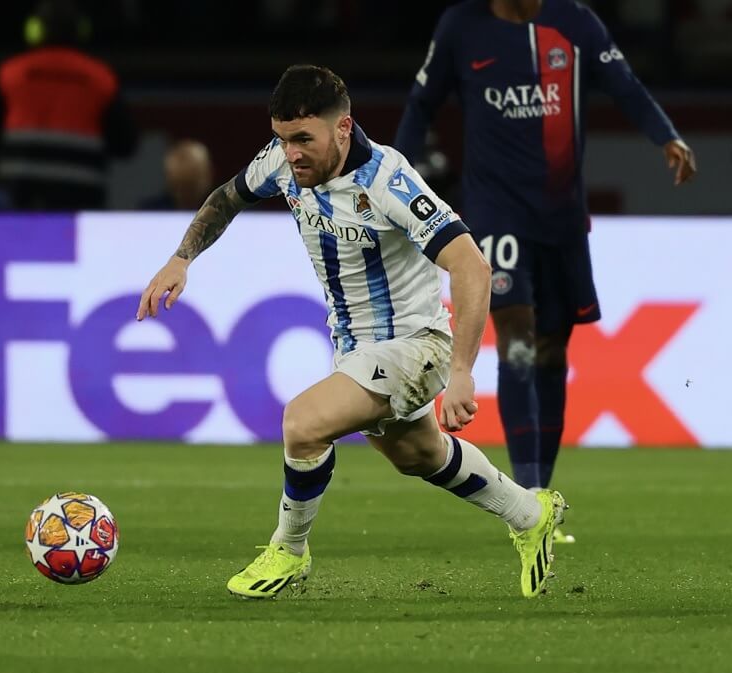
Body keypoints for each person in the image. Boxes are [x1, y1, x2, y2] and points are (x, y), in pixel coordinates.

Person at [137, 65, 567, 599]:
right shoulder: (283, 163)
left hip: (418, 347)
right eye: (282, 138)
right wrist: (181, 259)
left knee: (303, 423)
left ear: (342, 129)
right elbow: (228, 197)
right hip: (356, 348)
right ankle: (530, 513)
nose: (291, 153)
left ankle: (289, 550)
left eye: (302, 139)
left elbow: (471, 266)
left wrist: (462, 371)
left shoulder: (388, 181)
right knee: (419, 455)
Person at [394, 0, 696, 537]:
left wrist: (665, 135)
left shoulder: (576, 22)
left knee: (554, 348)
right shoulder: (461, 26)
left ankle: (543, 492)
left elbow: (624, 84)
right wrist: (393, 181)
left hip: (560, 217)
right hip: (494, 211)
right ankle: (527, 502)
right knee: (516, 337)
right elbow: (422, 103)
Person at [0, 0, 138, 210]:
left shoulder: (11, 73)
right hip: (82, 200)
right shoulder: (101, 79)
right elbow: (126, 145)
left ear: (35, 30)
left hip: (17, 199)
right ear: (82, 31)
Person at [136, 140, 214, 210]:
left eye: (192, 183)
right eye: (182, 185)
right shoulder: (149, 212)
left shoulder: (223, 211)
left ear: (208, 175)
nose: (187, 194)